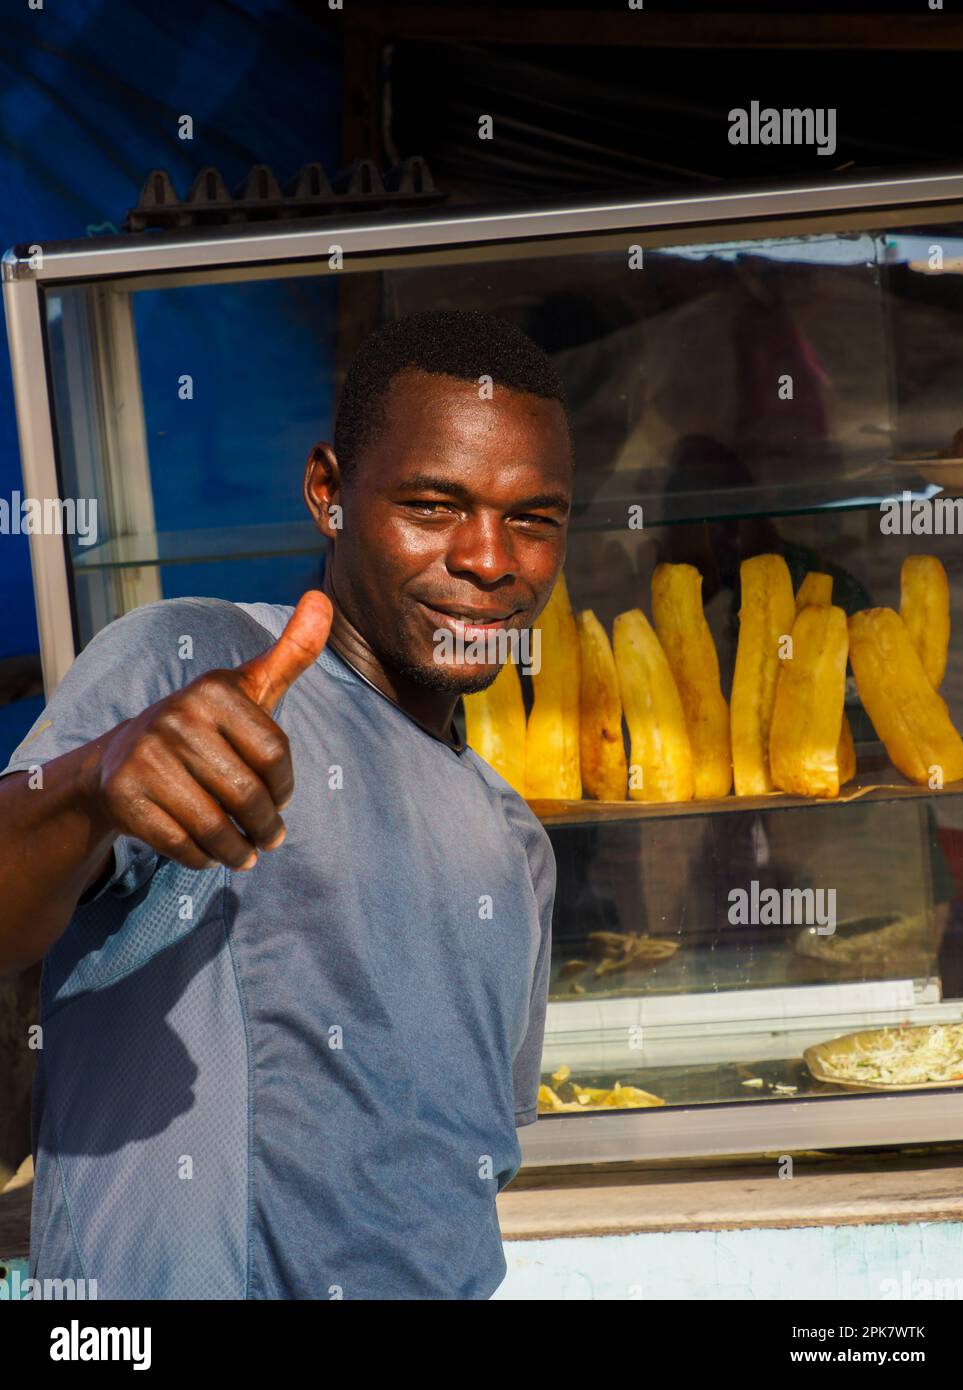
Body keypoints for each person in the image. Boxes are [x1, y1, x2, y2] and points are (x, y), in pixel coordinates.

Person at [0, 309, 572, 1300]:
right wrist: (96, 782)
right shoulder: (193, 664)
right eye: (434, 506)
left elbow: (449, 1170)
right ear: (329, 493)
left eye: (533, 518)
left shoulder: (512, 841)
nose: (490, 559)